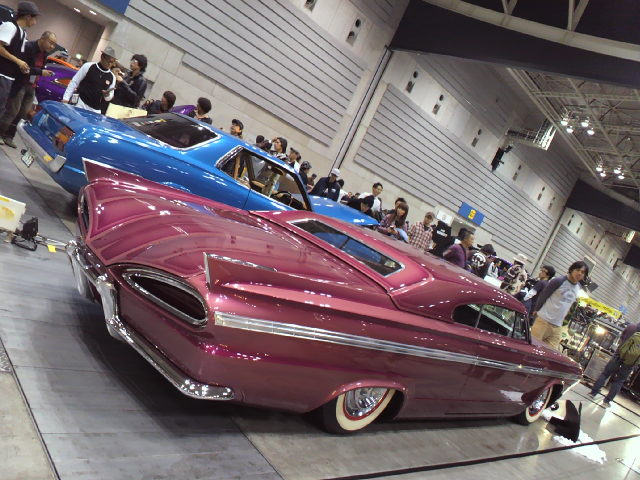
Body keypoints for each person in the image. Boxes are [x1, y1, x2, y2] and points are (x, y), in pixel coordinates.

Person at [0, 30, 55, 148]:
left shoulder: (45, 54)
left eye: (54, 44)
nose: (52, 46)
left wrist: (40, 73)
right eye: (50, 42)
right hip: (21, 83)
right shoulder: (29, 47)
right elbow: (24, 67)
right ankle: (1, 133)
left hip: (32, 86)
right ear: (42, 38)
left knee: (23, 112)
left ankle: (9, 136)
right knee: (12, 111)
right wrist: (41, 72)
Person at [530, 261, 589, 351]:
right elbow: (544, 295)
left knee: (550, 354)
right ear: (572, 270)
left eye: (583, 272)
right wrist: (536, 310)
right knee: (532, 349)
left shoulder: (579, 288)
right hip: (544, 321)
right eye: (578, 270)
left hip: (557, 326)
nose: (580, 273)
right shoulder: (558, 281)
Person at [0, 1, 39, 119]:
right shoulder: (10, 27)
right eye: (35, 18)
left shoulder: (22, 33)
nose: (35, 22)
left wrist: (21, 65)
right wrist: (18, 61)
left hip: (9, 77)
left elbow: (17, 54)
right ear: (28, 17)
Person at [589, 322, 640, 406]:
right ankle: (607, 401)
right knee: (619, 381)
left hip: (618, 355)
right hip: (630, 362)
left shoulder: (631, 326)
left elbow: (621, 337)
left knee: (605, 374)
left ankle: (593, 393)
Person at [63, 46, 118, 114]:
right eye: (108, 60)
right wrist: (66, 98)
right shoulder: (88, 66)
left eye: (112, 62)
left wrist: (107, 95)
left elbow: (108, 98)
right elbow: (75, 82)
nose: (109, 63)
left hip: (95, 110)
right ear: (102, 57)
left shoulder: (112, 77)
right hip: (80, 103)